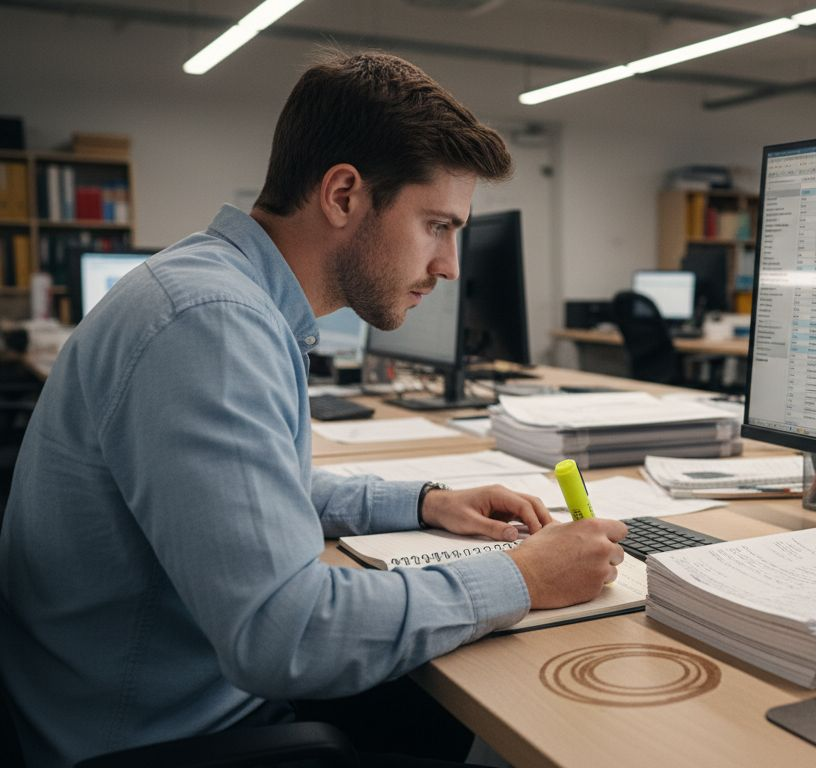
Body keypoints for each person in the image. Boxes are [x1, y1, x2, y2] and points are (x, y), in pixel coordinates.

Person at [0, 50, 627, 767]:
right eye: (437, 226)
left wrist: (425, 503)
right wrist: (524, 577)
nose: (451, 266)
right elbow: (286, 635)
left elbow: (254, 492)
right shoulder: (212, 323)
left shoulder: (222, 294)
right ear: (341, 196)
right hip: (157, 739)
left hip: (158, 696)